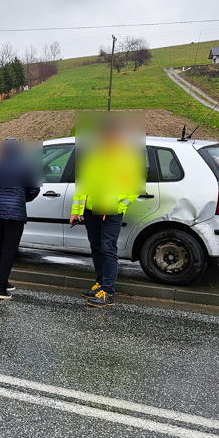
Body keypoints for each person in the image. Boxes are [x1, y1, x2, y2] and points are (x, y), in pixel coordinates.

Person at [70, 114, 144, 308]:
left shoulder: (128, 158)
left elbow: (136, 188)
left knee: (108, 249)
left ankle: (108, 293)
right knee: (96, 248)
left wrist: (117, 204)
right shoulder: (93, 156)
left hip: (110, 211)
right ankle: (100, 284)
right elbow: (82, 186)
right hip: (91, 209)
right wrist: (76, 210)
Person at [0, 139, 40, 300]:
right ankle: (0, 288)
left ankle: (2, 280)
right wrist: (21, 200)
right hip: (16, 215)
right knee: (8, 250)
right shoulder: (26, 165)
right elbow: (34, 189)